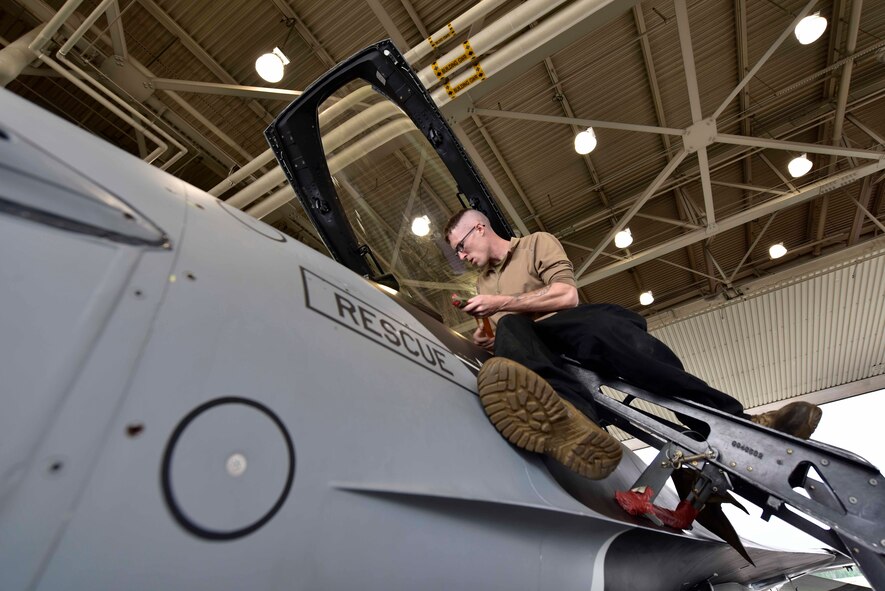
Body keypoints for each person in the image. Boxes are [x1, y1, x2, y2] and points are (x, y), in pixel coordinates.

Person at [444, 209, 822, 480]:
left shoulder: (534, 245)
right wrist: (485, 336)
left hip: (565, 325)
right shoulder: (483, 285)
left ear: (479, 228)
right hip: (531, 346)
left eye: (460, 247)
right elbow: (506, 338)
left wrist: (503, 303)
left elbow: (565, 296)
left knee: (618, 338)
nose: (461, 257)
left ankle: (740, 424)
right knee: (509, 329)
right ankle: (573, 419)